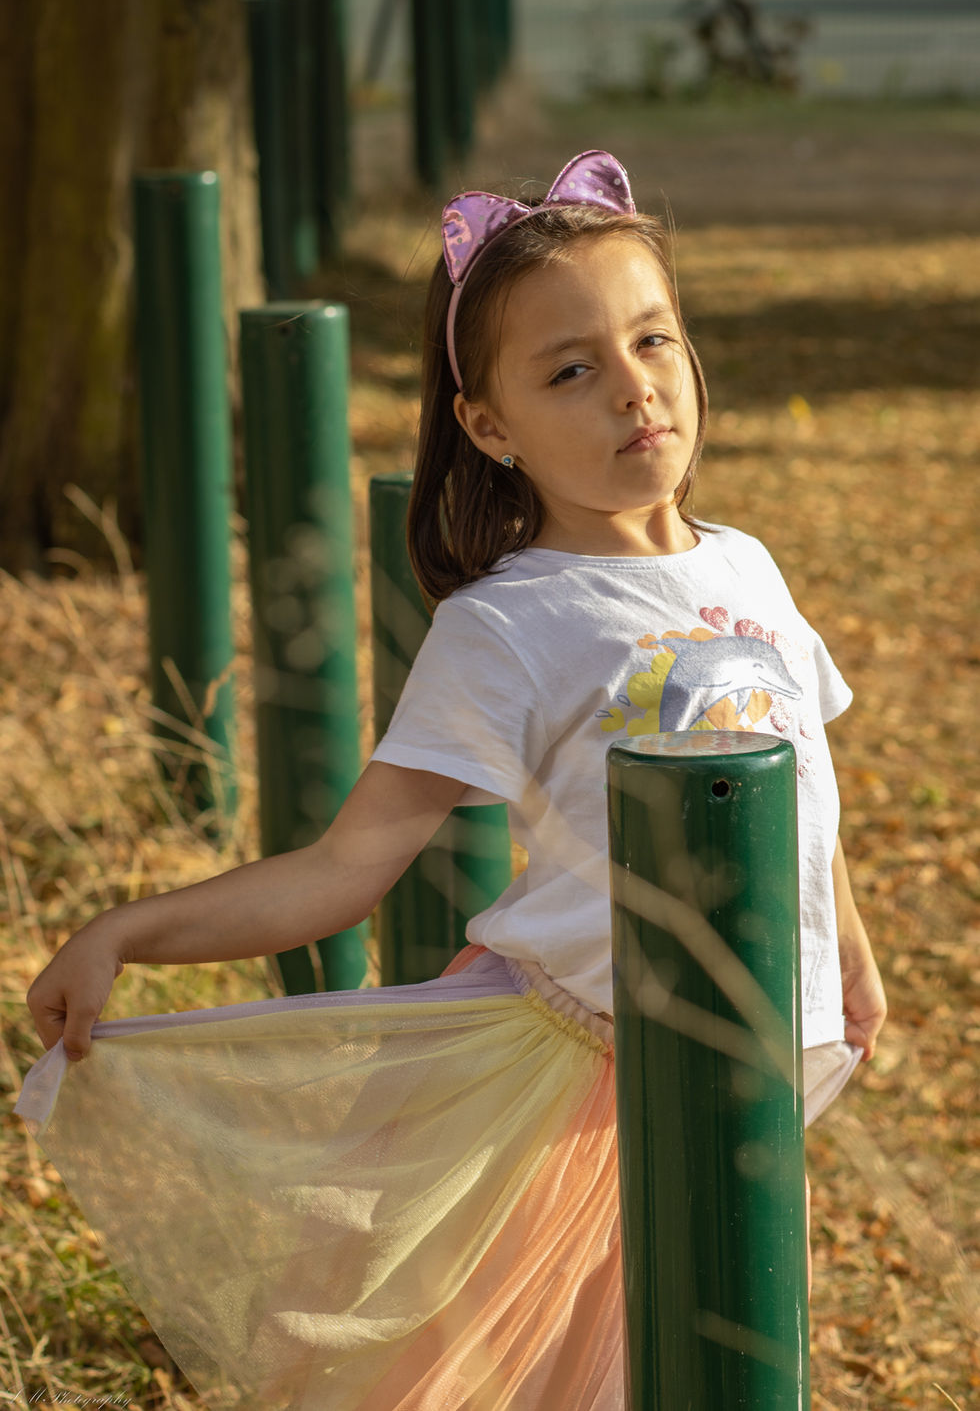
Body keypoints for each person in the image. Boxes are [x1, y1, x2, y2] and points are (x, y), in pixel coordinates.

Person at [18, 151, 886, 1411]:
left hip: (743, 1052)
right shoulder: (506, 625)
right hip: (578, 1080)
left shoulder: (747, 566)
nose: (632, 386)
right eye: (569, 370)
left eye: (652, 338)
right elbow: (344, 867)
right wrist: (126, 932)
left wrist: (843, 949)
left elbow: (802, 785)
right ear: (488, 426)